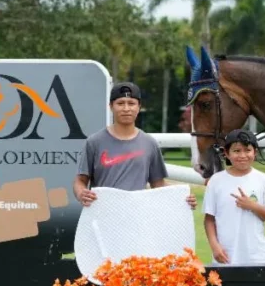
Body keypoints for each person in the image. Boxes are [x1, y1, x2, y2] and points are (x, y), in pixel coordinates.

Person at [74, 81, 197, 210]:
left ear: (138, 107)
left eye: (131, 103)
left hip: (137, 217)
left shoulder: (149, 143)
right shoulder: (94, 142)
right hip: (102, 217)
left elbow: (158, 184)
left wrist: (182, 197)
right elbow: (80, 181)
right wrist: (81, 193)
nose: (126, 108)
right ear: (111, 106)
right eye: (120, 103)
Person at [203, 129, 265, 265]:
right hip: (224, 256)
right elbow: (209, 219)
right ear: (226, 153)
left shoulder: (264, 180)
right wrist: (215, 246)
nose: (242, 155)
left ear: (255, 152)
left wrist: (252, 206)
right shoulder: (216, 181)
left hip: (255, 257)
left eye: (247, 150)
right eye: (237, 151)